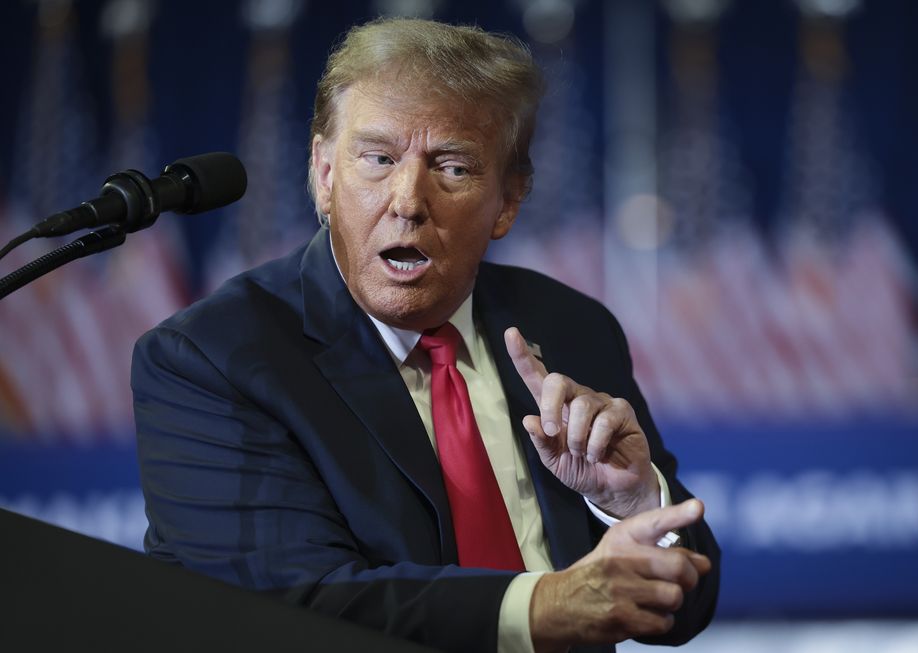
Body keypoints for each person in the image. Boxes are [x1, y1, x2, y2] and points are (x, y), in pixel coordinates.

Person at [131, 17, 720, 653]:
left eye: (454, 167)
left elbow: (685, 609)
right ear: (325, 175)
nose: (407, 200)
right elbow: (291, 609)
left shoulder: (571, 326)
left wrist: (633, 503)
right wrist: (547, 605)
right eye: (378, 159)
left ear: (509, 201)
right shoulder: (214, 360)